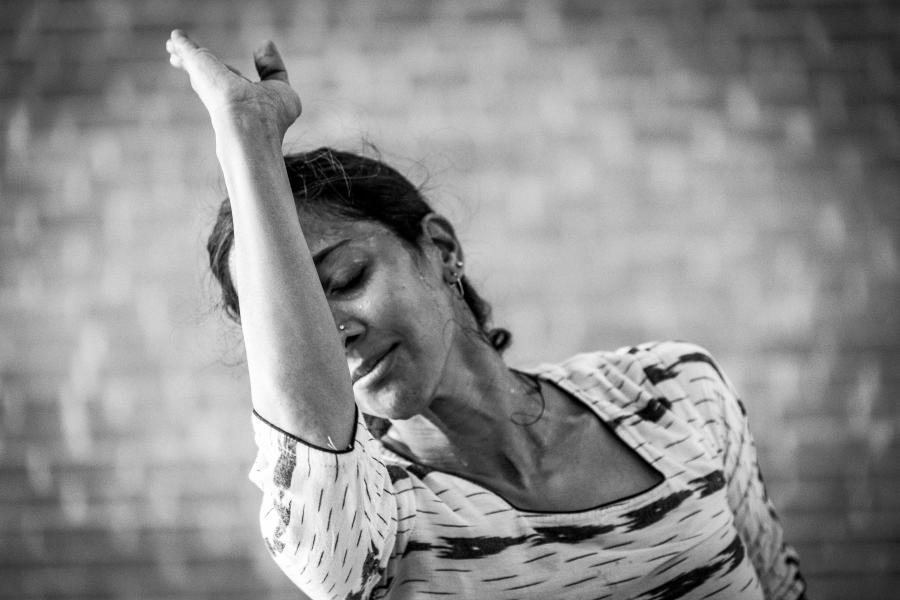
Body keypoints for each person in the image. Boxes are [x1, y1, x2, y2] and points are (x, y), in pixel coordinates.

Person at [166, 30, 807, 600]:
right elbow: (308, 440)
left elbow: (779, 582)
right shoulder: (376, 521)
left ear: (440, 250)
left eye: (346, 279)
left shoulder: (675, 390)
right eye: (297, 324)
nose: (334, 332)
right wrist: (245, 137)